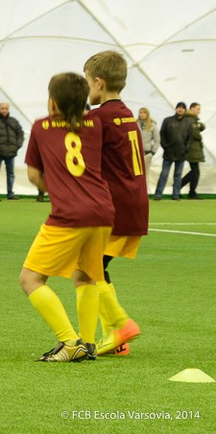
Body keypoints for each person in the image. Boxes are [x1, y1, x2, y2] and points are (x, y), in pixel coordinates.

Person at [19, 72, 114, 362]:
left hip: (69, 214)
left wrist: (58, 190)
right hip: (102, 211)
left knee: (31, 279)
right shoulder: (96, 125)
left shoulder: (41, 127)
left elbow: (34, 174)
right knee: (86, 276)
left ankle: (69, 341)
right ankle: (88, 343)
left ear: (52, 102)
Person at [83, 51, 146, 357]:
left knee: (88, 268)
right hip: (135, 201)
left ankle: (119, 324)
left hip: (113, 206)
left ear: (98, 83)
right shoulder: (128, 114)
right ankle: (116, 336)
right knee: (95, 266)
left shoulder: (98, 118)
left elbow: (85, 163)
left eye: (87, 83)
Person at [153, 102, 193, 200]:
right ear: (176, 109)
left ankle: (175, 195)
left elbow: (190, 138)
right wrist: (165, 146)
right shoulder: (167, 120)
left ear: (185, 110)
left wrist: (185, 148)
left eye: (182, 108)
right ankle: (158, 194)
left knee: (178, 175)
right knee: (164, 174)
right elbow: (162, 134)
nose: (180, 109)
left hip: (181, 153)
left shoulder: (188, 122)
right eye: (179, 107)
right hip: (168, 152)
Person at [0, 102, 25, 200]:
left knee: (11, 174)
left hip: (11, 152)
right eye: (2, 108)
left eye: (6, 108)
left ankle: (10, 193)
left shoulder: (13, 121)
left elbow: (20, 134)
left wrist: (17, 145)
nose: (4, 110)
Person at [180, 103, 205, 199]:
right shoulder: (190, 120)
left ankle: (183, 188)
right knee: (195, 172)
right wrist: (199, 134)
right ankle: (191, 192)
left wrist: (200, 125)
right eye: (198, 109)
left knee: (195, 172)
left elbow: (201, 126)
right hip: (192, 148)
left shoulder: (192, 120)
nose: (199, 111)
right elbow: (195, 134)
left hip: (195, 149)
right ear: (192, 108)